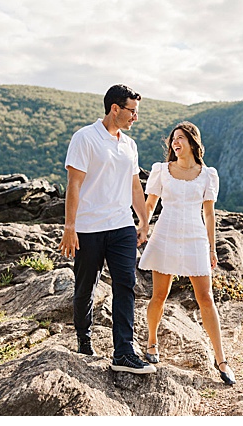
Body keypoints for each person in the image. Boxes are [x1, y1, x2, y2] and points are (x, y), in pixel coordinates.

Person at [63, 86, 156, 371]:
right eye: (132, 111)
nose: (135, 118)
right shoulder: (85, 138)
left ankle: (124, 352)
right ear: (114, 108)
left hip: (121, 226)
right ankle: (84, 337)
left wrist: (143, 220)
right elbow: (74, 184)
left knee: (126, 285)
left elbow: (133, 185)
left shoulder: (129, 145)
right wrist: (70, 227)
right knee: (85, 287)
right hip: (89, 227)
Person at [139, 123, 234, 386]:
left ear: (192, 142)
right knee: (159, 295)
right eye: (172, 140)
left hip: (195, 238)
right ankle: (151, 342)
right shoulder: (161, 171)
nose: (175, 143)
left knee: (206, 297)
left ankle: (221, 359)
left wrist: (212, 247)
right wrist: (142, 229)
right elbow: (150, 204)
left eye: (180, 138)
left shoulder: (207, 175)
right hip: (165, 235)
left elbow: (210, 214)